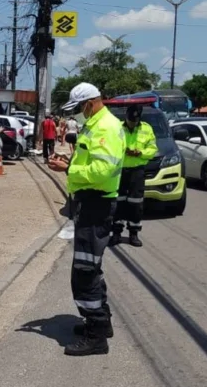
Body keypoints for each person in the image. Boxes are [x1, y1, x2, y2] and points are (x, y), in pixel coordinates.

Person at [48, 83, 124, 356]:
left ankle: (96, 335)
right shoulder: (95, 124)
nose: (79, 113)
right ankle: (103, 324)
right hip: (90, 202)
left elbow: (102, 171)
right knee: (90, 267)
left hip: (97, 204)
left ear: (90, 103)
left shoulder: (105, 127)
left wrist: (68, 168)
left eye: (80, 107)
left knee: (84, 271)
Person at [111, 105, 157, 248]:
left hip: (137, 171)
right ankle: (116, 233)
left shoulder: (146, 128)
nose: (133, 123)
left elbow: (153, 149)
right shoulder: (117, 127)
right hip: (119, 170)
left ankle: (134, 234)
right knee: (118, 202)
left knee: (136, 203)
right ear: (126, 115)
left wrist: (140, 153)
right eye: (131, 120)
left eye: (135, 121)